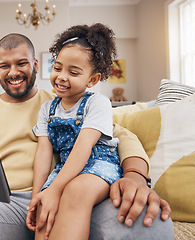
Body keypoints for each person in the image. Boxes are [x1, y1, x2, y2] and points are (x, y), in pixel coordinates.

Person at [0, 31, 173, 240]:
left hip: (63, 199)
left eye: (21, 63)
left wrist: (135, 176)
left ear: (35, 64)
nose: (13, 72)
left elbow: (121, 137)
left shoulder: (66, 102)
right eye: (4, 66)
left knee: (148, 223)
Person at [26, 23, 123, 240]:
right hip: (64, 168)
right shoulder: (46, 109)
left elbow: (83, 148)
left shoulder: (97, 103)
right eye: (57, 68)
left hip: (97, 163)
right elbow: (43, 153)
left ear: (92, 79)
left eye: (73, 72)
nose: (61, 76)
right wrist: (38, 195)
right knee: (44, 206)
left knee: (76, 191)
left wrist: (56, 188)